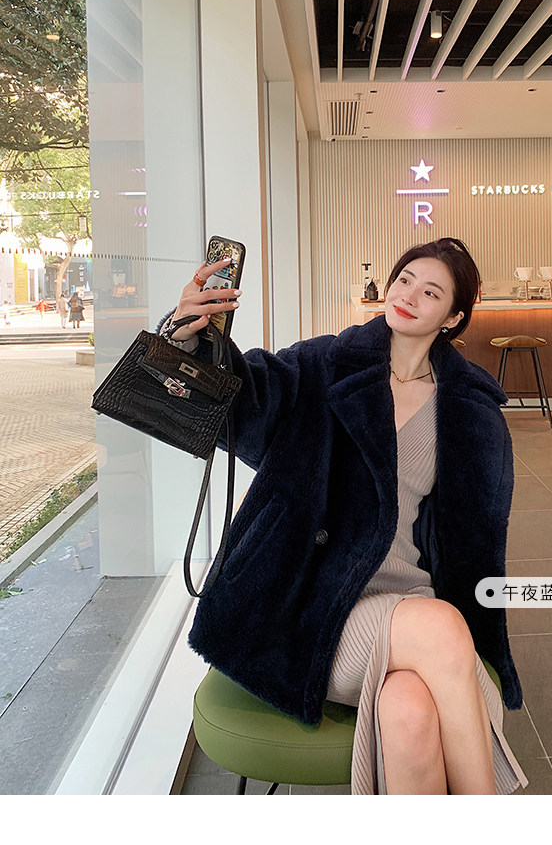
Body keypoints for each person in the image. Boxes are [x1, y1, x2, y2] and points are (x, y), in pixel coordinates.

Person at [162, 237, 527, 795]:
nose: (409, 296)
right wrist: (187, 338)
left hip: (408, 599)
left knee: (409, 712)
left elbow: (472, 543)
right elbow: (243, 398)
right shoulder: (323, 365)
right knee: (441, 629)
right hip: (311, 603)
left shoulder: (467, 411)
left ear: (453, 318)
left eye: (431, 293)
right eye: (404, 280)